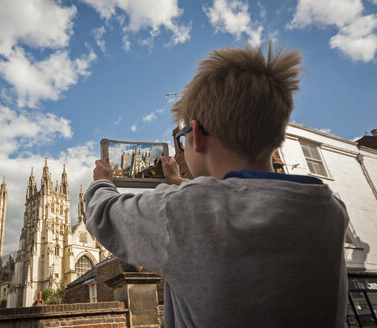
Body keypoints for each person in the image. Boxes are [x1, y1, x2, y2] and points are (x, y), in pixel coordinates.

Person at [84, 44, 348, 327]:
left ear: (196, 135)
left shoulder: (183, 210)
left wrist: (102, 181)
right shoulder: (329, 208)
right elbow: (240, 201)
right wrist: (179, 182)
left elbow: (102, 214)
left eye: (183, 135)